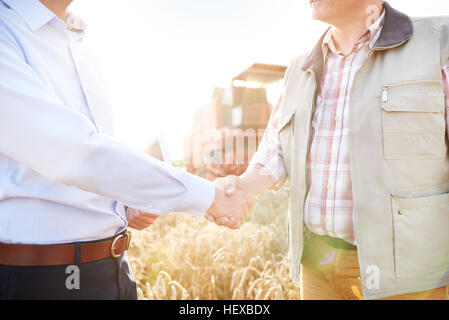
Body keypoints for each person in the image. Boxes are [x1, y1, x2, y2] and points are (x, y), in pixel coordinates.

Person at [0, 0, 251, 300]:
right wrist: (210, 197)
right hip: (42, 279)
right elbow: (73, 151)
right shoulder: (6, 31)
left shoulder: (80, 44)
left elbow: (89, 154)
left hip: (114, 269)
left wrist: (124, 203)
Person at [212, 0, 449, 300]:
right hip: (318, 269)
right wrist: (242, 186)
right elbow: (277, 151)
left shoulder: (438, 43)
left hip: (409, 278)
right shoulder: (299, 68)